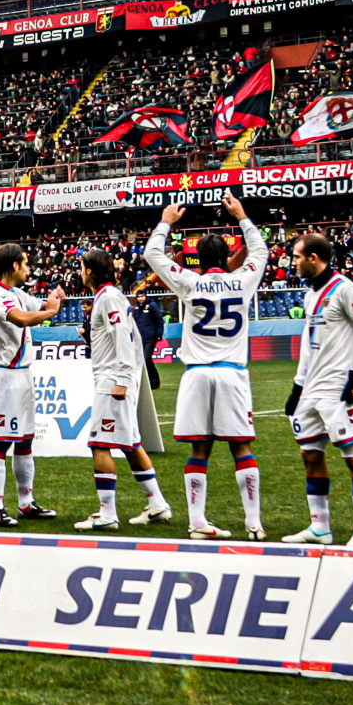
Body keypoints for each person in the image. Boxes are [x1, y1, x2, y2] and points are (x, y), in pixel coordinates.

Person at [143, 192, 268, 540]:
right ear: (227, 256)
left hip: (197, 374)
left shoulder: (190, 280)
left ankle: (197, 522)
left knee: (200, 448)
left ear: (198, 258)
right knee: (241, 447)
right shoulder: (243, 280)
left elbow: (152, 254)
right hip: (231, 372)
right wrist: (242, 216)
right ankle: (254, 523)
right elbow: (260, 251)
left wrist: (166, 222)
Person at [281, 235, 353, 548]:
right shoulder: (311, 294)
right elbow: (309, 345)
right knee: (310, 455)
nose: (293, 262)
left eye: (297, 257)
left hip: (338, 391)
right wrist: (298, 386)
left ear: (313, 258)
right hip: (311, 390)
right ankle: (320, 528)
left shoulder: (345, 290)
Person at [74, 247, 171, 531]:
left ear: (89, 271)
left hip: (112, 381)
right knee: (130, 444)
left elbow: (124, 339)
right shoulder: (108, 296)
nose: (80, 272)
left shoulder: (108, 298)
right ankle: (158, 504)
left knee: (99, 444)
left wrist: (123, 380)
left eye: (82, 267)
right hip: (115, 378)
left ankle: (107, 514)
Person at [0, 242, 65, 526]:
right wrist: (50, 312)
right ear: (14, 265)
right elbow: (20, 319)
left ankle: (26, 503)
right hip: (5, 377)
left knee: (25, 440)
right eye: (26, 263)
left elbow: (40, 307)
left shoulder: (15, 293)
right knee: (2, 441)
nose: (29, 268)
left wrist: (54, 301)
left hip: (22, 374)